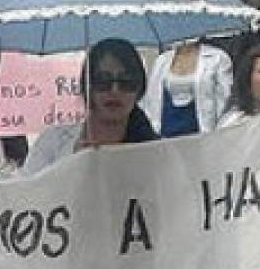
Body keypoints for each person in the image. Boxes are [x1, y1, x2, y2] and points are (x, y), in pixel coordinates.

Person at [22, 38, 158, 175]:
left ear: (139, 88)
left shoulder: (156, 149)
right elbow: (26, 190)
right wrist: (72, 165)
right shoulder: (53, 141)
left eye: (126, 82)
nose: (114, 90)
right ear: (87, 86)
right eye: (103, 81)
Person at [140, 39, 232, 137]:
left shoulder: (218, 57)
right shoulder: (162, 60)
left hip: (203, 135)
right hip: (166, 135)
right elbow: (151, 100)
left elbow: (225, 99)